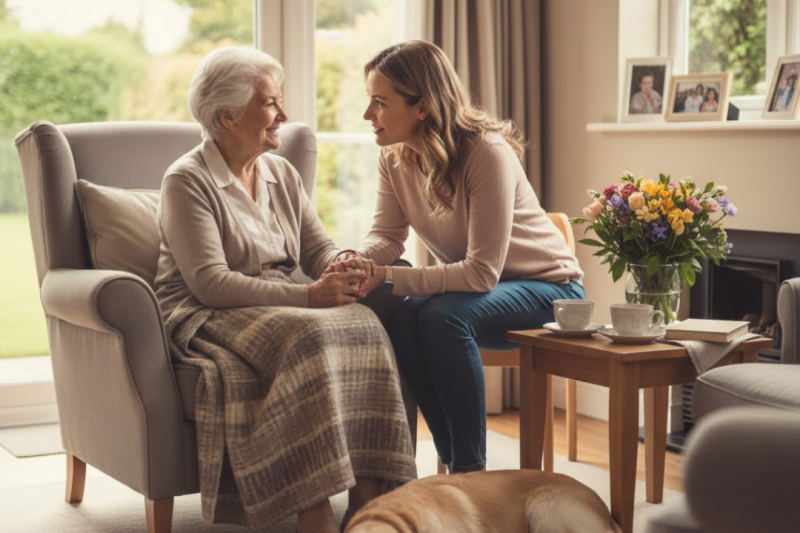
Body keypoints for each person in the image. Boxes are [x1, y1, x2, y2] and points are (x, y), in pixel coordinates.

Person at [154, 46, 416, 533]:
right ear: (228, 116)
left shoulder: (281, 172)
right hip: (203, 310)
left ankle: (369, 504)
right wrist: (309, 297)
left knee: (366, 323)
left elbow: (318, 248)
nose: (284, 115)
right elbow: (209, 282)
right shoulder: (187, 180)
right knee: (309, 335)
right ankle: (311, 510)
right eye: (270, 103)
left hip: (274, 300)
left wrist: (342, 265)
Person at [329, 40, 584, 474]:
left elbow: (481, 273)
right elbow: (388, 235)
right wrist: (357, 259)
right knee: (407, 315)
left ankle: (471, 471)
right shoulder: (395, 156)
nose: (368, 115)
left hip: (551, 292)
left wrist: (386, 277)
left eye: (379, 102)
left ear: (422, 107)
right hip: (482, 292)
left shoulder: (486, 152)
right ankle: (449, 462)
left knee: (442, 316)